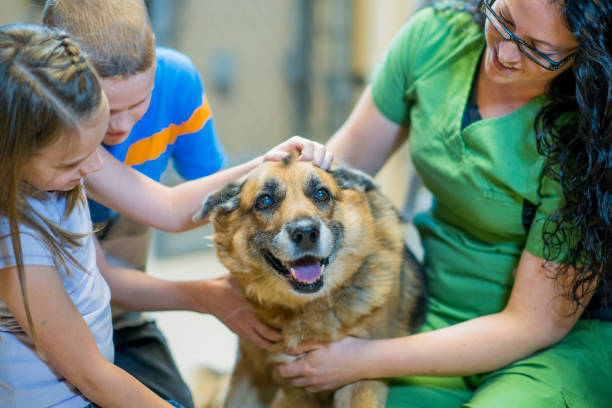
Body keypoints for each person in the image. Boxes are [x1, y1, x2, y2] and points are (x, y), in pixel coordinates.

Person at [277, 0, 612, 407]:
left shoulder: (591, 132)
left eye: (538, 48)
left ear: (587, 50)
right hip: (433, 313)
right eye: (503, 20)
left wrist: (360, 359)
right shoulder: (435, 40)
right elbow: (339, 173)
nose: (505, 54)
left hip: (557, 343)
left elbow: (531, 324)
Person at [0, 23, 331, 408]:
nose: (94, 168)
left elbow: (171, 210)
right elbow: (92, 375)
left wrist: (268, 162)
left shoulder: (66, 167)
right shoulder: (17, 243)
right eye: (74, 160)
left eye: (97, 147)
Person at [42, 1, 234, 406]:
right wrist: (205, 296)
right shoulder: (39, 122)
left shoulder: (176, 79)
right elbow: (99, 277)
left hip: (117, 311)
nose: (123, 126)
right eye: (108, 108)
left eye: (140, 103)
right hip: (47, 304)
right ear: (56, 80)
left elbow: (190, 203)